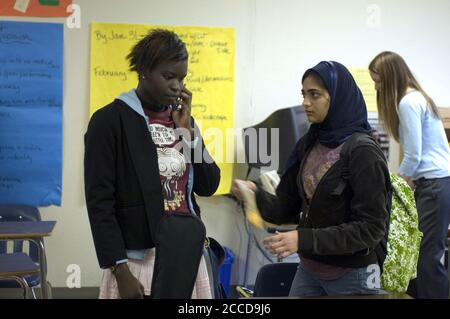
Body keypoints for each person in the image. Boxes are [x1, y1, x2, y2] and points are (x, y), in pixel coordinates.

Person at [232, 61, 391, 297]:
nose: (305, 102)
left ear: (337, 97)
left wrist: (303, 239)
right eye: (304, 94)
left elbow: (370, 229)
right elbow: (286, 208)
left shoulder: (363, 153)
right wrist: (254, 193)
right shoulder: (309, 143)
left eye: (314, 94)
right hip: (310, 270)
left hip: (355, 275)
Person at [84, 29, 220, 299]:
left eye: (182, 78)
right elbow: (100, 203)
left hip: (185, 254)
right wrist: (119, 270)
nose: (177, 86)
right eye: (169, 76)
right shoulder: (110, 121)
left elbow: (209, 185)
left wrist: (187, 135)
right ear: (144, 71)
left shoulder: (184, 122)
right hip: (137, 261)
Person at [369, 51, 450, 299]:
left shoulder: (408, 102)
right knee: (419, 254)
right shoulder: (417, 98)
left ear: (391, 77)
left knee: (426, 257)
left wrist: (394, 183)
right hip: (436, 183)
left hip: (434, 184)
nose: (376, 87)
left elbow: (413, 154)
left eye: (379, 81)